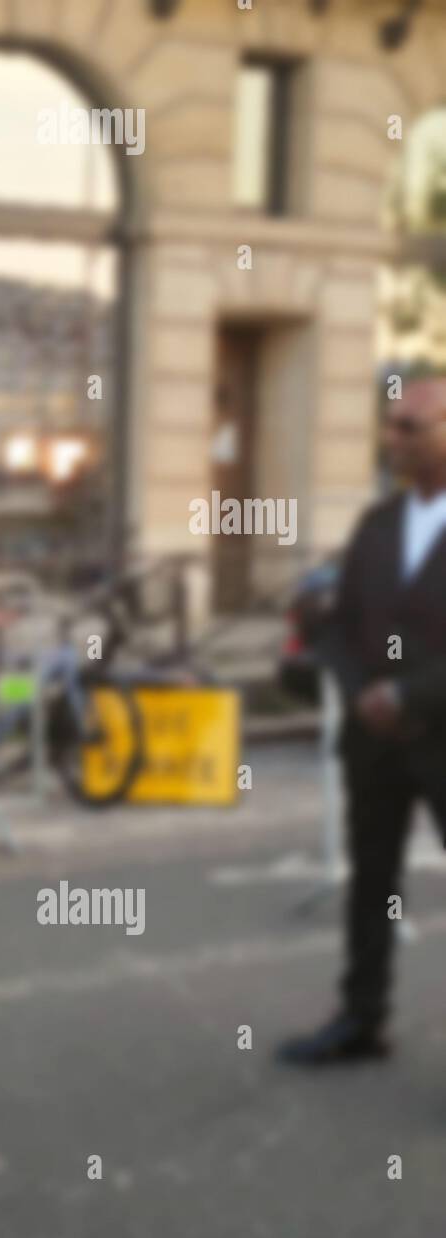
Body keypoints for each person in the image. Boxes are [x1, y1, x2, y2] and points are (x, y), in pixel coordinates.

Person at [279, 377, 446, 1066]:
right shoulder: (379, 522)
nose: (393, 439)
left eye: (409, 426)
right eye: (390, 425)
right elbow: (338, 629)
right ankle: (361, 1017)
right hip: (372, 740)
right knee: (371, 884)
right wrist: (363, 695)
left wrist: (408, 696)